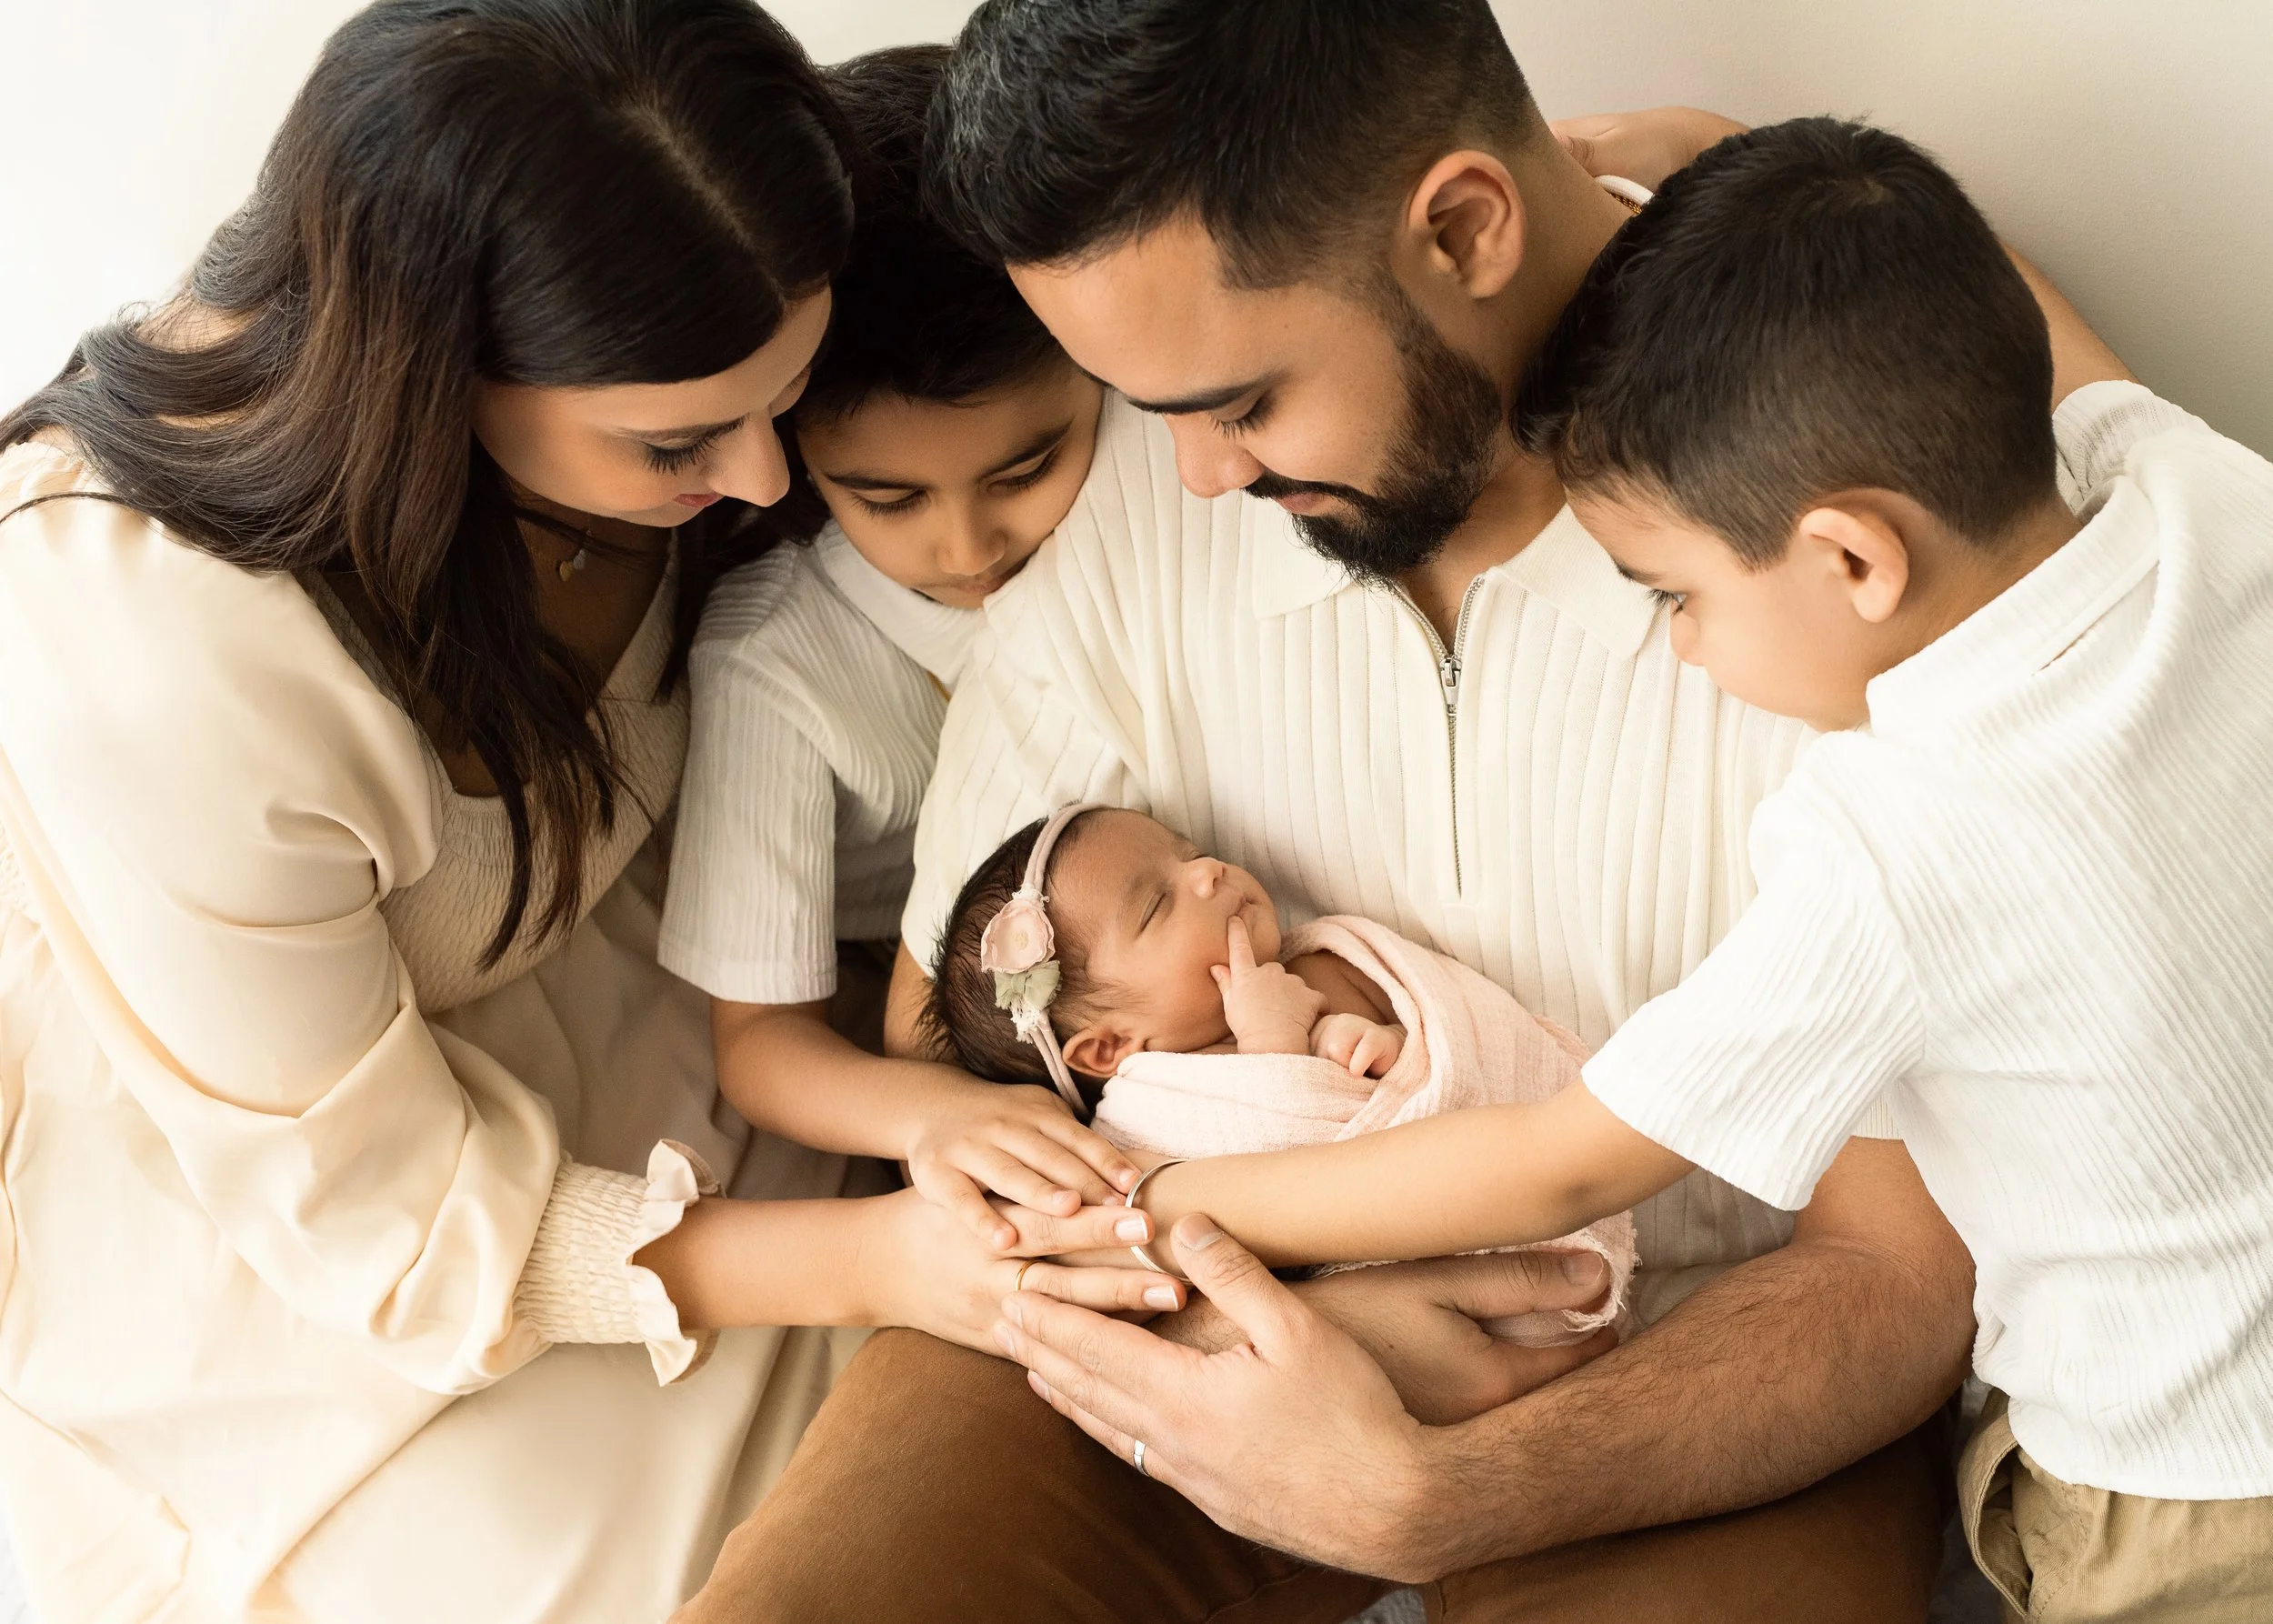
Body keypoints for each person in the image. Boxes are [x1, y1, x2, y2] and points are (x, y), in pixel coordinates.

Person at [676, 5, 2128, 1622]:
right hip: (1175, 1295)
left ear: (1462, 230)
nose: (1194, 476)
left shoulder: (1846, 514)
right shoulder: (1140, 482)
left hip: (1709, 1357)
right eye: (1139, 402)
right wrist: (1260, 1303)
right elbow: (964, 1052)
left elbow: (1897, 1269)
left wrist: (1450, 1486)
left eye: (1241, 400)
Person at [0, 5, 1162, 1619]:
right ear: (438, 367)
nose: (769, 484)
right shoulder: (162, 656)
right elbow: (389, 1226)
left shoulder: (694, 275)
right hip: (321, 1181)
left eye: (788, 396)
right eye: (681, 441)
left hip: (658, 998)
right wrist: (887, 1260)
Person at [1110, 117, 2273, 1623]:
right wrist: (1731, 154)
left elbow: (1567, 1160)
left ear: (1852, 559)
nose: (1677, 644)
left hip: (2181, 1483)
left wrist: (1188, 1192)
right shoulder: (2195, 494)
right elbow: (2029, 318)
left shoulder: (1890, 838)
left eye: (1676, 594)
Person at [658, 45, 1147, 1254]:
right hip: (939, 1014)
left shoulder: (1154, 472)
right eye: (887, 498)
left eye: (1026, 469)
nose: (969, 546)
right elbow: (761, 1042)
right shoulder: (775, 661)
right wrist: (935, 1114)